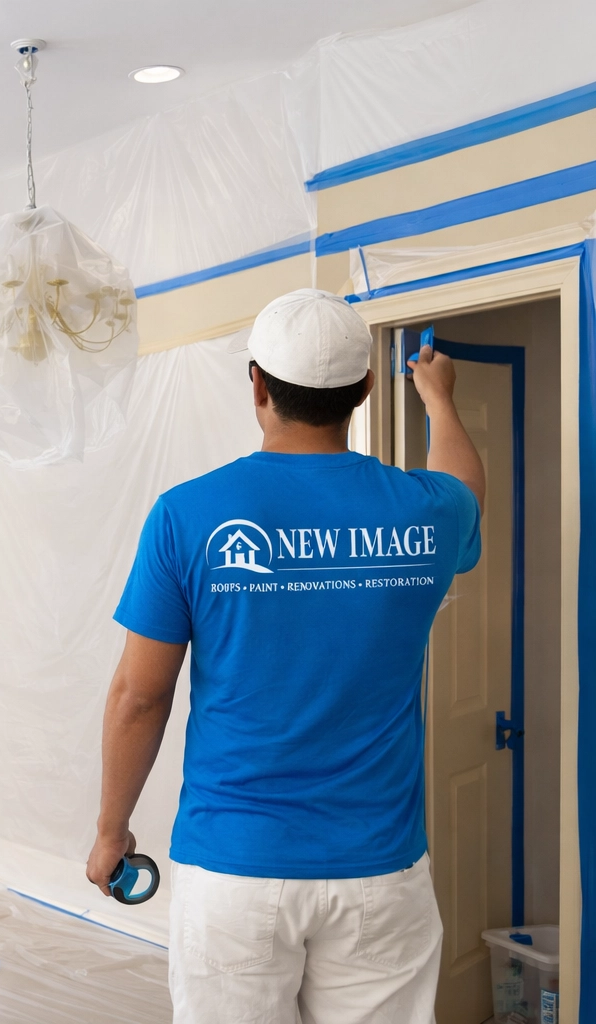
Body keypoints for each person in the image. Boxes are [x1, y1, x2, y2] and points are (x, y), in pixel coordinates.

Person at [85, 288, 485, 1023]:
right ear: (364, 390)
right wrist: (439, 399)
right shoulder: (427, 513)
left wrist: (112, 831)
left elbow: (139, 697)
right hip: (381, 869)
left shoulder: (188, 514)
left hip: (235, 868)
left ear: (258, 385)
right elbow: (466, 488)